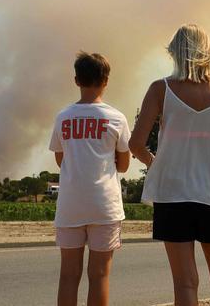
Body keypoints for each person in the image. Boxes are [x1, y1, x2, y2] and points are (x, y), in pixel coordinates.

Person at [129, 24, 210, 306]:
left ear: (174, 53)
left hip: (173, 196)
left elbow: (135, 145)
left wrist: (156, 163)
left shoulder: (160, 89)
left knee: (184, 283)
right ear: (207, 52)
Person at [49, 52, 131, 306]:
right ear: (106, 80)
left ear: (76, 80)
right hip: (104, 206)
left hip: (70, 204)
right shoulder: (116, 118)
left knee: (68, 276)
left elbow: (60, 159)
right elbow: (125, 165)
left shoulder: (63, 117)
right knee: (99, 276)